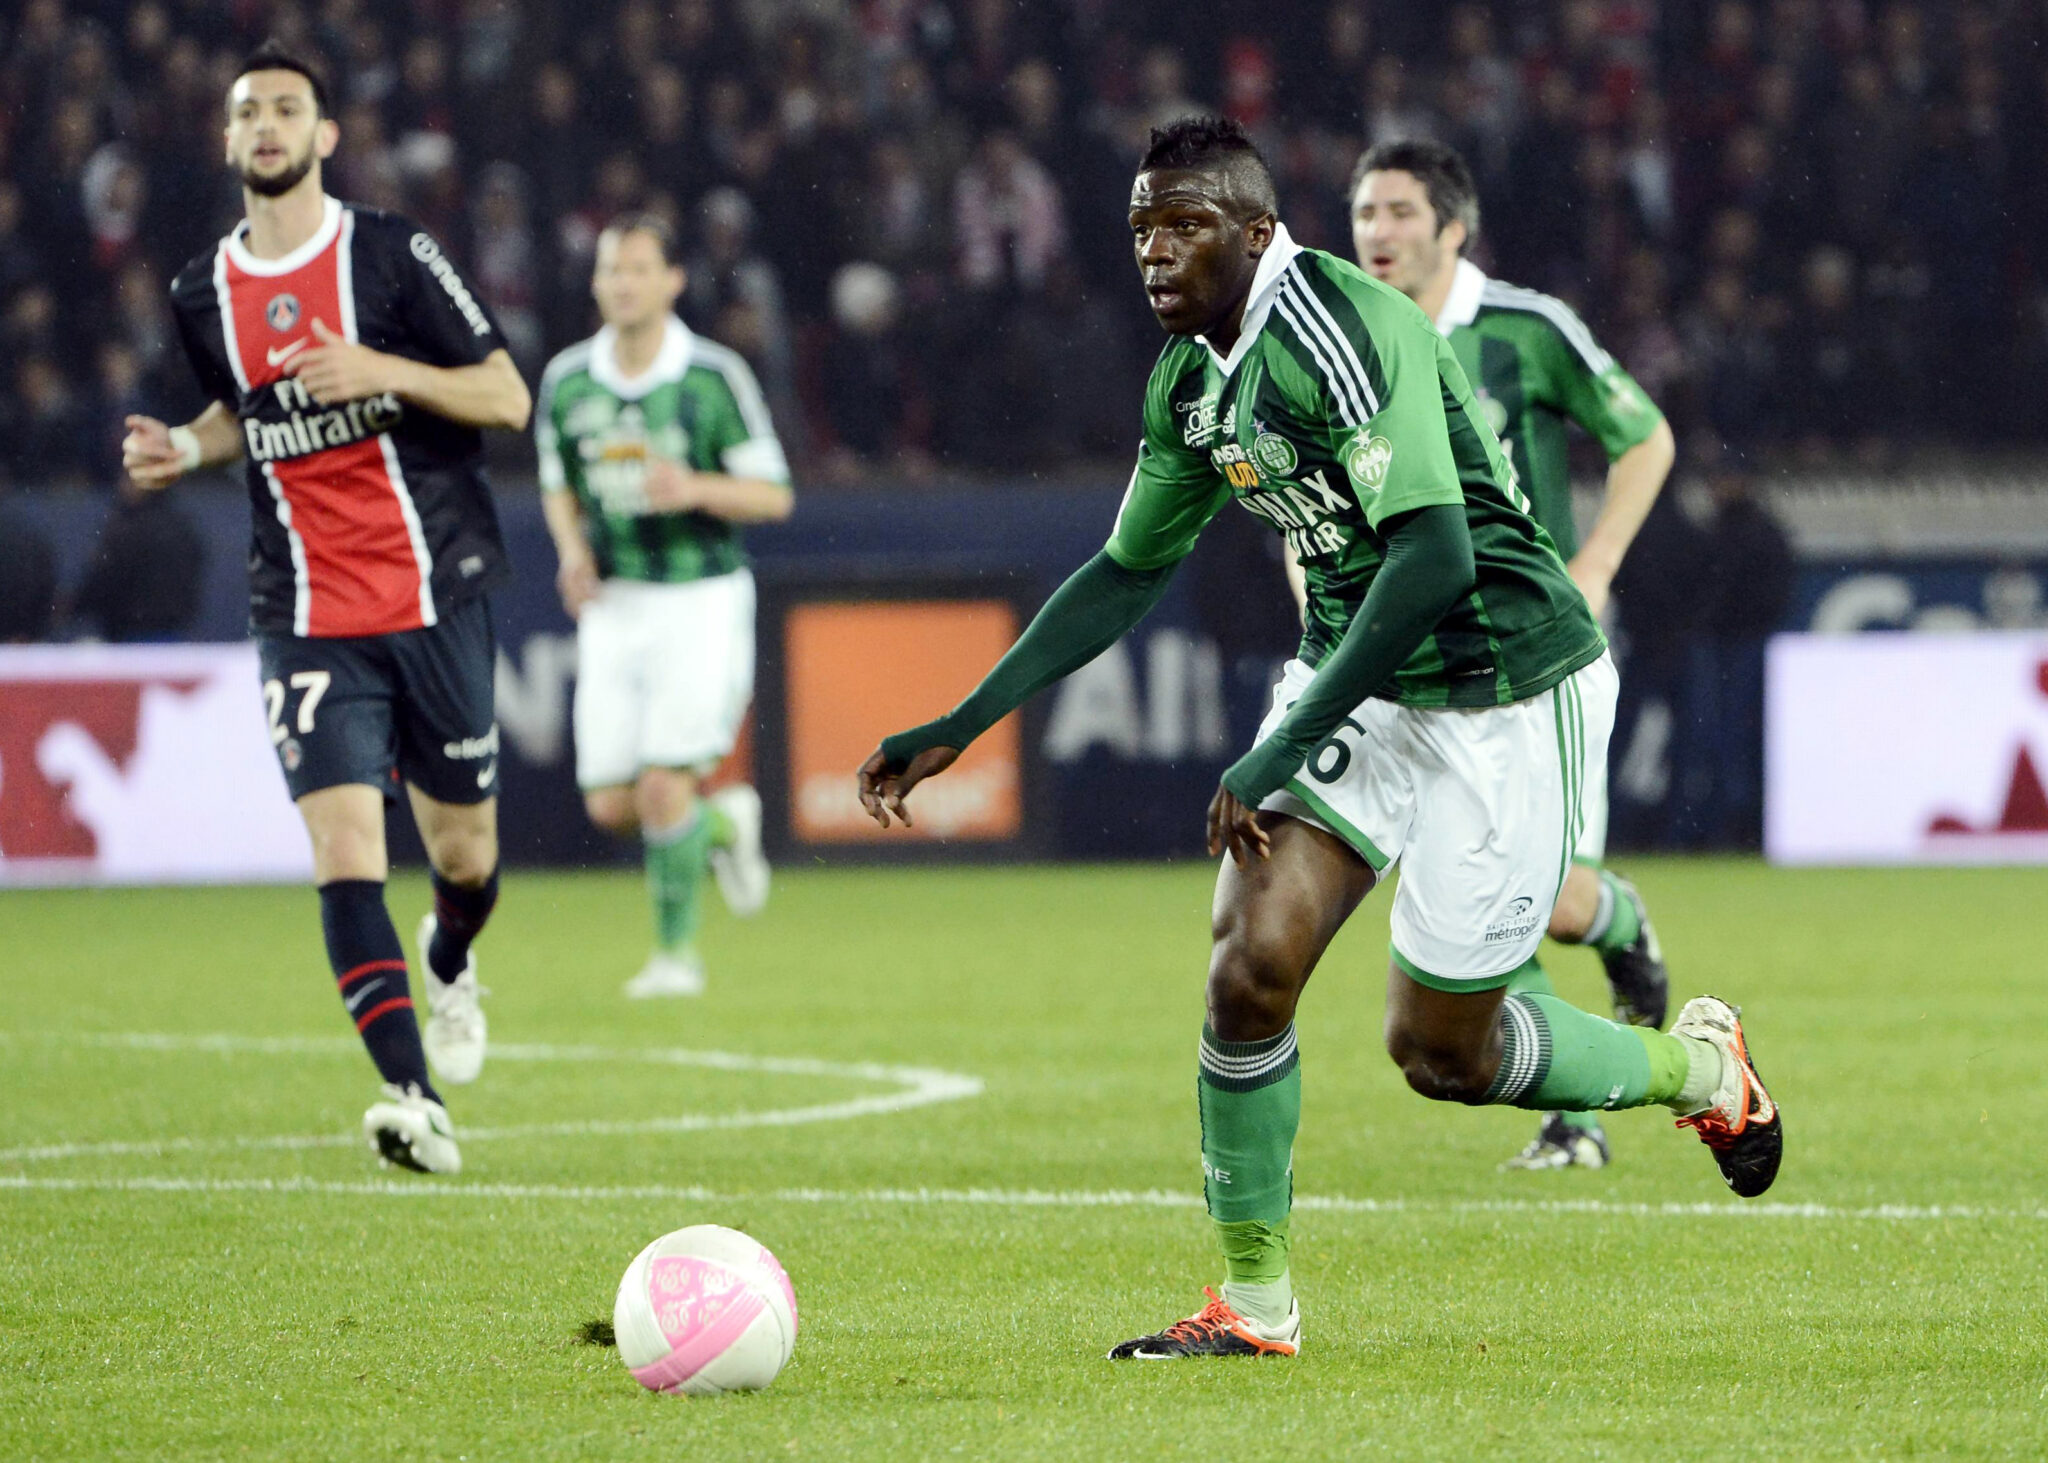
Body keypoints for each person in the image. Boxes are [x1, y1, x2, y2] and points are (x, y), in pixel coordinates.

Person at [857, 117, 1781, 1360]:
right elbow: (1125, 569)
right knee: (1247, 963)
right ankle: (1253, 1302)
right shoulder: (1191, 380)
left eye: (1180, 226)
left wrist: (1277, 741)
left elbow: (1436, 555)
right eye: (1138, 228)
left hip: (1500, 685)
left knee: (1439, 1051)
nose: (1152, 252)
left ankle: (1699, 1069)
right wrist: (963, 719)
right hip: (1363, 679)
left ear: (1253, 230)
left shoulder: (1335, 330)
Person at [120, 43, 531, 1175]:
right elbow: (240, 414)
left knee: (463, 854)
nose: (265, 124)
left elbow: (505, 393)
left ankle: (450, 959)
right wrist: (183, 446)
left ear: (324, 135)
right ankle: (413, 1094)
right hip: (300, 604)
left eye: (286, 108)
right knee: (344, 843)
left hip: (432, 588)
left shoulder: (392, 255)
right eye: (245, 109)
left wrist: (383, 371)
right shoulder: (199, 287)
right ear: (225, 139)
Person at [1348, 139, 1679, 1172]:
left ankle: (1617, 919)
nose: (1376, 232)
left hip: (1541, 655)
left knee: (1545, 895)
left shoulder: (1523, 330)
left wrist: (1597, 558)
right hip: (1421, 665)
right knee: (1471, 883)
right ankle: (1570, 1121)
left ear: (1453, 228)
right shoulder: (1345, 343)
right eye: (1363, 212)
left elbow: (1643, 435)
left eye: (1400, 211)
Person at [536, 215, 786, 998]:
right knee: (610, 803)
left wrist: (698, 487)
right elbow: (557, 483)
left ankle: (677, 957)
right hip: (614, 604)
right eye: (613, 270)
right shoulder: (568, 379)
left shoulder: (712, 376)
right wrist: (573, 552)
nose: (624, 283)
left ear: (674, 281)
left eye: (640, 269)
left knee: (660, 787)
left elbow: (774, 495)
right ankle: (725, 825)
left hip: (699, 599)